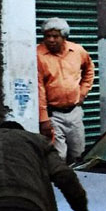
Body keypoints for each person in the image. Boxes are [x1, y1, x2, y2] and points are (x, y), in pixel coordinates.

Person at [37, 18, 94, 163]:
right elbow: (39, 88)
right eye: (47, 36)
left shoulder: (77, 51)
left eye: (55, 36)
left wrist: (83, 92)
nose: (51, 40)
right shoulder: (38, 55)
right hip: (53, 114)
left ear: (64, 37)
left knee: (78, 154)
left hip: (74, 112)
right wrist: (44, 119)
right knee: (58, 156)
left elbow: (89, 69)